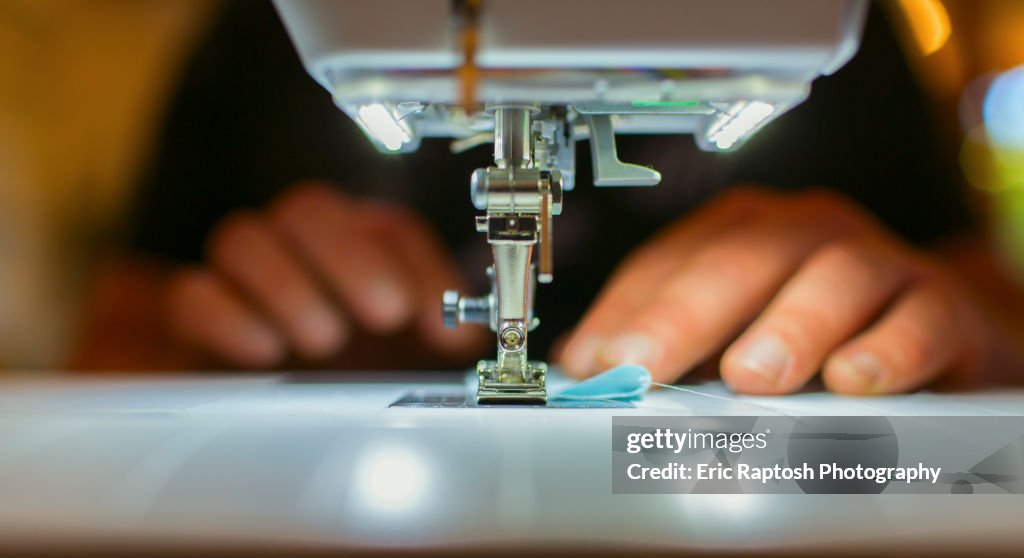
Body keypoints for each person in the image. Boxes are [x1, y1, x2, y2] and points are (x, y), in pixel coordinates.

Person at [73, 0, 1024, 395]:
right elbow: (100, 358)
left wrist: (941, 333)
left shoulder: (850, 62)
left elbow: (995, 321)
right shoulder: (254, 42)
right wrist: (202, 354)